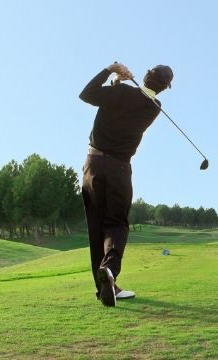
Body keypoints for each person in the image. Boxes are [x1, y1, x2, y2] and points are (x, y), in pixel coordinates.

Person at [79, 61, 174, 307]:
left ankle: (104, 289)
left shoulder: (119, 92)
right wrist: (118, 84)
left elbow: (86, 94)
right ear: (165, 88)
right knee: (117, 225)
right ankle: (109, 271)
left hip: (93, 165)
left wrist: (111, 70)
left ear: (145, 75)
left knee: (96, 228)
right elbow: (125, 103)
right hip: (119, 169)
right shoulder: (154, 107)